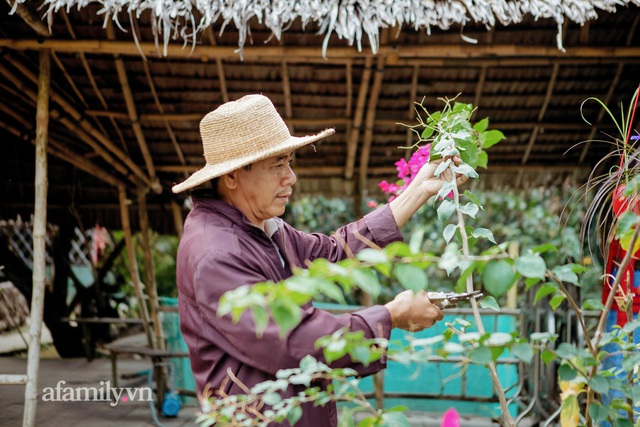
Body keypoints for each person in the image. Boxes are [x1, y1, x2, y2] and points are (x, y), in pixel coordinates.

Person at [172, 94, 467, 426]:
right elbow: (294, 342)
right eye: (278, 165)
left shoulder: (263, 228)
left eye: (289, 162)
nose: (291, 177)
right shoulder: (217, 252)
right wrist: (390, 316)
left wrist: (419, 190)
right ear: (232, 176)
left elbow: (332, 252)